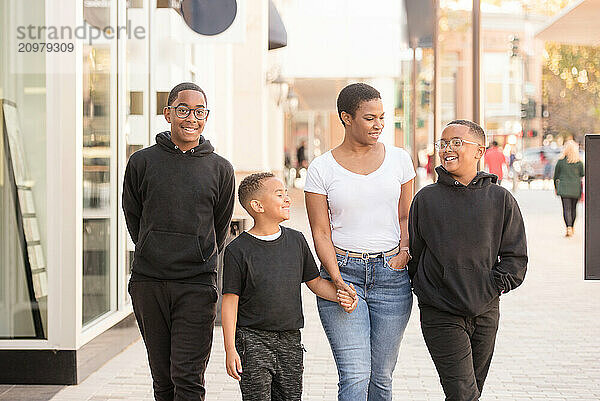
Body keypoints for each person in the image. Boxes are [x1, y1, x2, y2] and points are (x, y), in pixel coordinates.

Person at [122, 82, 235, 401]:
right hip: (149, 283)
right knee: (162, 378)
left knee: (187, 376)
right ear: (167, 113)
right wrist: (152, 246)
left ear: (206, 116)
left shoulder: (220, 168)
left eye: (200, 112)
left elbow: (220, 225)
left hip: (196, 285)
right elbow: (134, 215)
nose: (191, 118)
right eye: (183, 110)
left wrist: (198, 254)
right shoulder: (142, 162)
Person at [304, 83, 415, 401]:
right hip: (343, 274)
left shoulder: (399, 160)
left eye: (382, 117)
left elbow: (406, 217)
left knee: (380, 379)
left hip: (391, 277)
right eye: (370, 118)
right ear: (346, 118)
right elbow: (320, 232)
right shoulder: (321, 169)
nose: (379, 124)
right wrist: (336, 280)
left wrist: (404, 253)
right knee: (354, 377)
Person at [408, 119, 528, 401]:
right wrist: (429, 290)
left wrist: (491, 287)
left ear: (479, 151)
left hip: (485, 311)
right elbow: (415, 254)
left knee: (470, 392)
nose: (447, 149)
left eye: (456, 142)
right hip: (441, 312)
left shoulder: (500, 199)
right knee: (463, 394)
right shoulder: (426, 199)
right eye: (443, 143)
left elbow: (516, 256)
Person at [221, 172, 357, 401]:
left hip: (290, 341)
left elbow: (315, 283)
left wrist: (340, 296)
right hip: (252, 341)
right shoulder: (238, 250)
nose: (287, 199)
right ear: (257, 206)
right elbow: (229, 302)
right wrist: (230, 349)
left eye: (286, 193)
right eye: (279, 194)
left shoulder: (296, 241)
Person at [553, 140, 584, 237]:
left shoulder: (561, 162)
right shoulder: (579, 163)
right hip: (575, 189)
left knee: (566, 209)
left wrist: (556, 187)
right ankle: (572, 226)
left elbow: (555, 176)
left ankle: (568, 227)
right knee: (574, 209)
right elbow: (582, 175)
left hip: (564, 189)